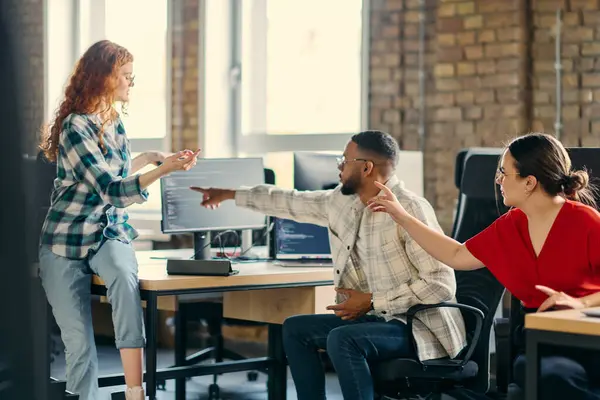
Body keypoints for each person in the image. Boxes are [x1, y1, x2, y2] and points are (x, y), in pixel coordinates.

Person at [189, 130, 467, 400]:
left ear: (367, 167)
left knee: (342, 339)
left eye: (344, 161)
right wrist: (229, 194)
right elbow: (291, 202)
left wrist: (372, 301)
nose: (339, 167)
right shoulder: (343, 202)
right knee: (295, 330)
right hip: (376, 320)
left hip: (418, 327)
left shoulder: (410, 209)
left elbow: (440, 285)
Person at [368, 132, 600, 399]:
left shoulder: (584, 222)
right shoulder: (511, 225)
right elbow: (456, 254)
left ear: (529, 182)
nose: (499, 180)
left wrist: (581, 303)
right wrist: (403, 217)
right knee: (537, 370)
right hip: (540, 339)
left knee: (551, 375)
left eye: (504, 172)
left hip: (587, 334)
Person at [38, 40, 200, 400]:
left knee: (126, 279)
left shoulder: (113, 122)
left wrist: (153, 158)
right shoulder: (74, 127)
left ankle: (133, 391)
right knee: (79, 344)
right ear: (104, 77)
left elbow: (117, 172)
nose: (131, 83)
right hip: (65, 239)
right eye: (125, 76)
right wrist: (165, 171)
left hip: (107, 231)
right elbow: (110, 188)